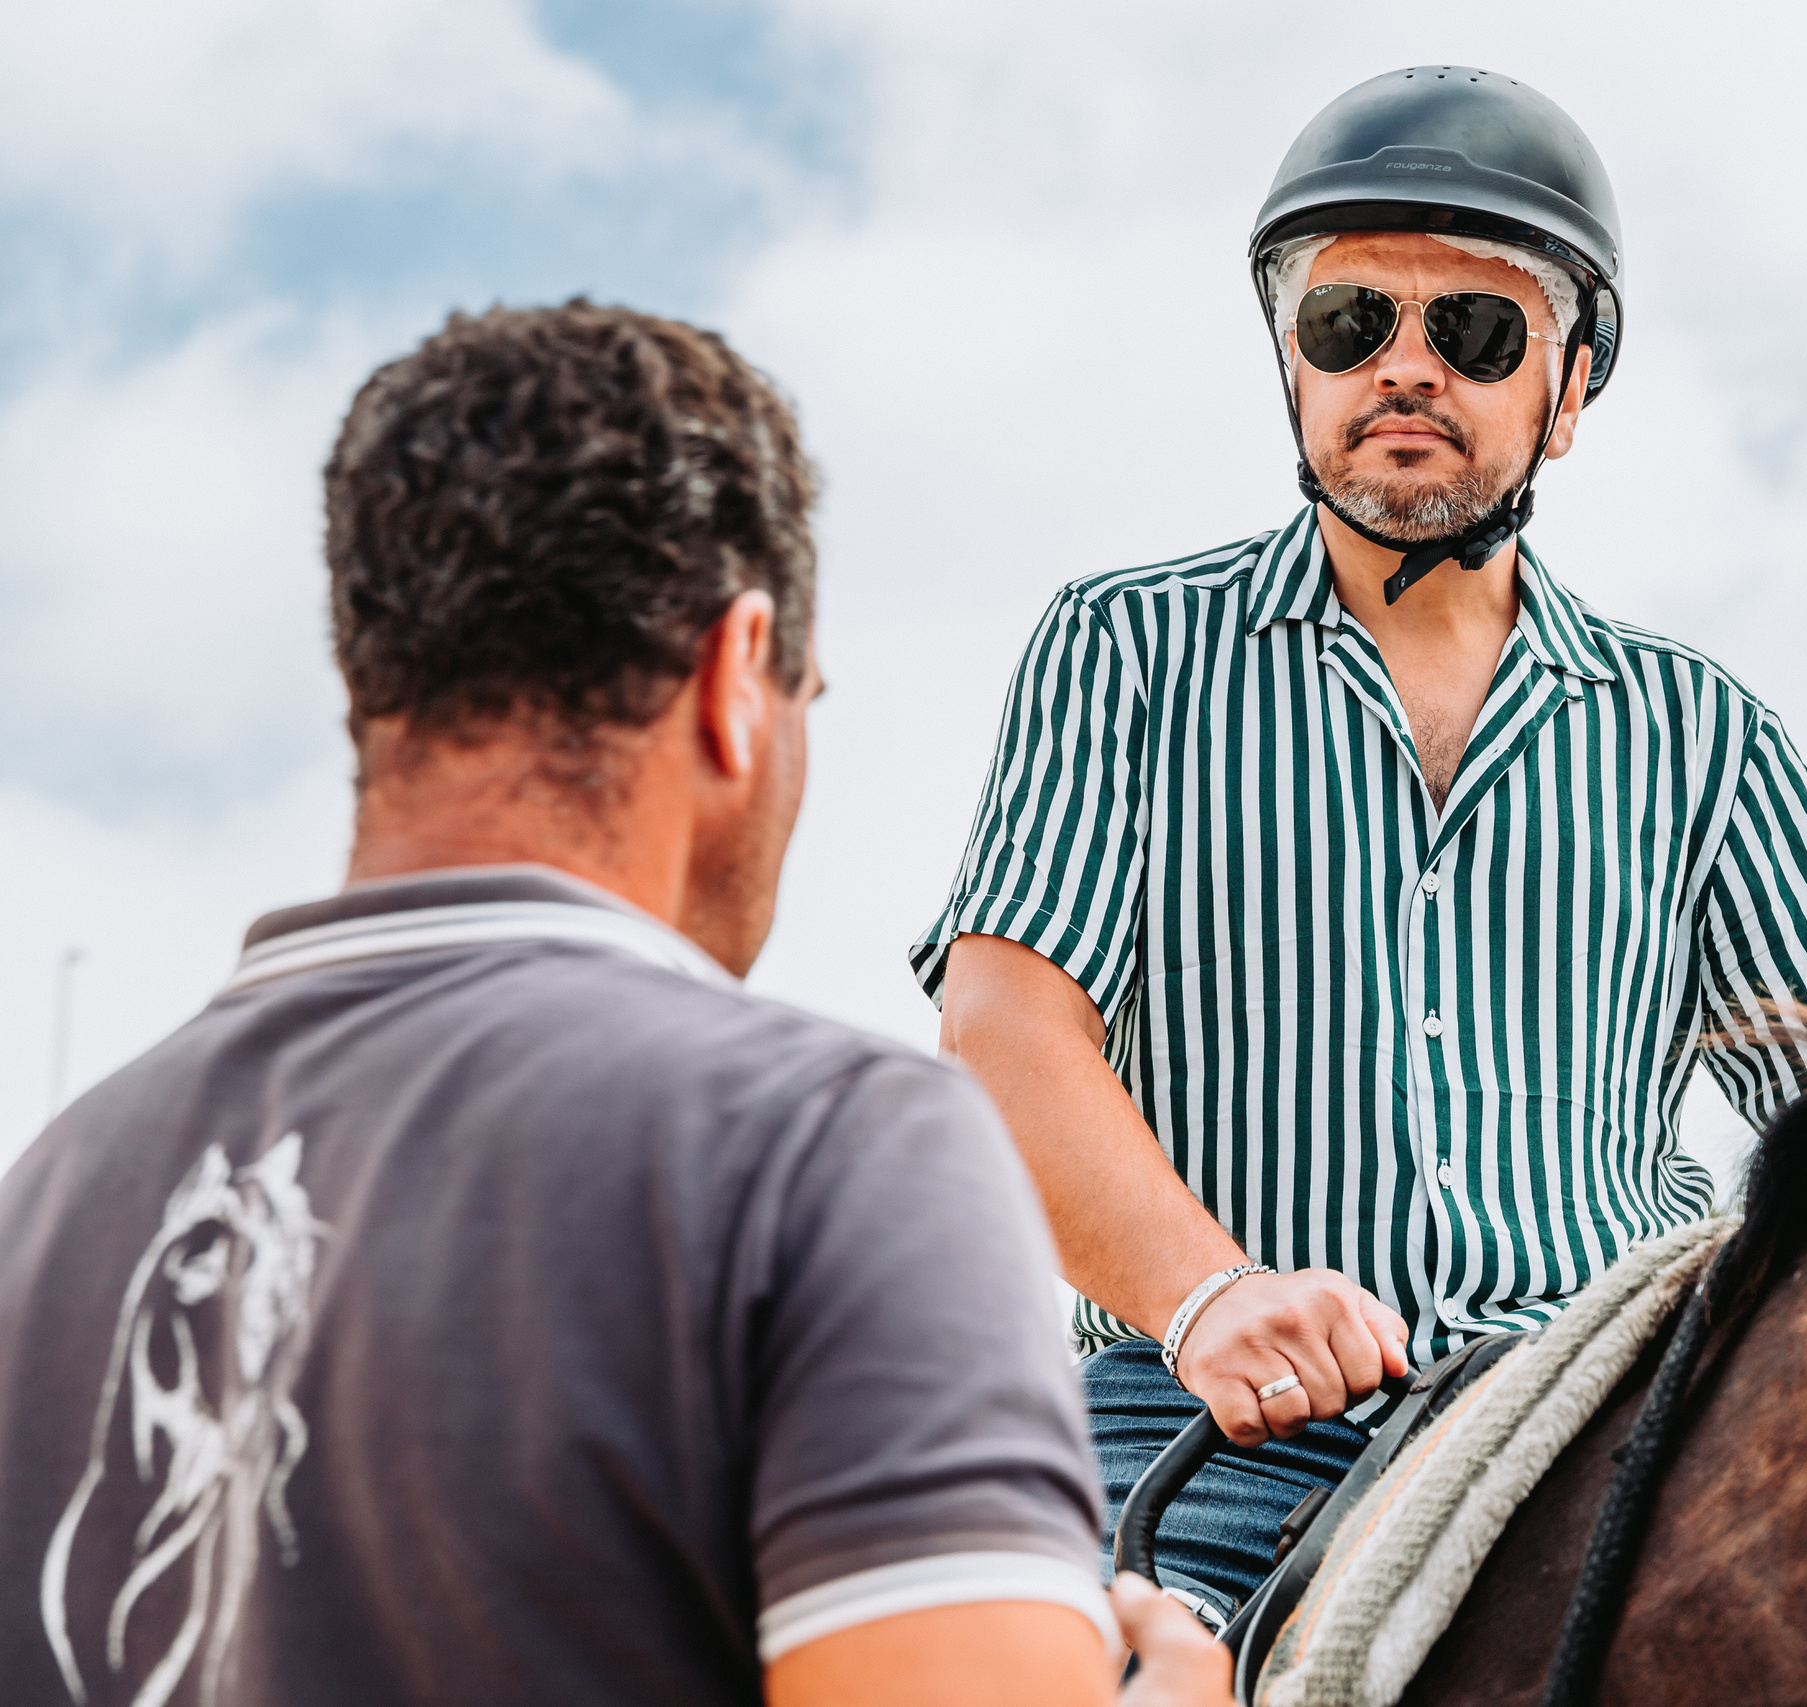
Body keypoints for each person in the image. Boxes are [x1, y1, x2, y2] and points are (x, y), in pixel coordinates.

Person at [0, 302, 1228, 1707]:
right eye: (807, 695)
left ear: (372, 676)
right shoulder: (827, 1144)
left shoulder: (47, 1204)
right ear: (736, 677)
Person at [918, 67, 1807, 1624]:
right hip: (1208, 1430)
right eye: (1348, 322)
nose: (1403, 365)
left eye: (1475, 332)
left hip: (1588, 1438)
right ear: (1294, 368)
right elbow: (1005, 1031)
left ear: (1566, 394)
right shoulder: (1124, 652)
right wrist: (1209, 1297)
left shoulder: (1706, 736)